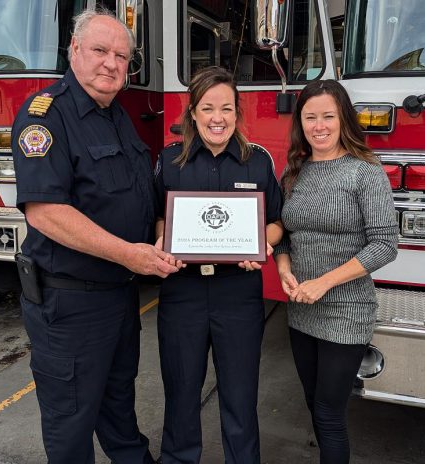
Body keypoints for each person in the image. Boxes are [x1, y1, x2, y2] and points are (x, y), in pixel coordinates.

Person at [11, 9, 180, 464]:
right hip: (70, 306)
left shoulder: (116, 115)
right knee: (71, 428)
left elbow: (138, 198)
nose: (111, 63)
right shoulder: (45, 116)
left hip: (119, 297)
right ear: (74, 50)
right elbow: (46, 213)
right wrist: (130, 254)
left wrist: (165, 235)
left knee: (119, 410)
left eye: (122, 56)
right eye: (101, 51)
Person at [153, 66, 283, 464]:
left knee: (240, 396)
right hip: (183, 292)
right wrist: (162, 240)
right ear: (192, 112)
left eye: (226, 108)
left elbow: (278, 222)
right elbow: (159, 217)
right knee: (181, 394)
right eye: (208, 108)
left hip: (237, 294)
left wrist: (261, 244)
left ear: (237, 112)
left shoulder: (256, 161)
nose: (217, 118)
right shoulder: (169, 160)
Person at [274, 80, 399, 464]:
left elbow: (385, 244)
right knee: (313, 404)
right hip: (301, 310)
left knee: (329, 414)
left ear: (344, 118)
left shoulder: (365, 172)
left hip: (347, 310)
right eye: (310, 117)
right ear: (301, 123)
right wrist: (283, 269)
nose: (319, 126)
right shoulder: (295, 172)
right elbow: (283, 236)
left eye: (328, 116)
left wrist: (324, 282)